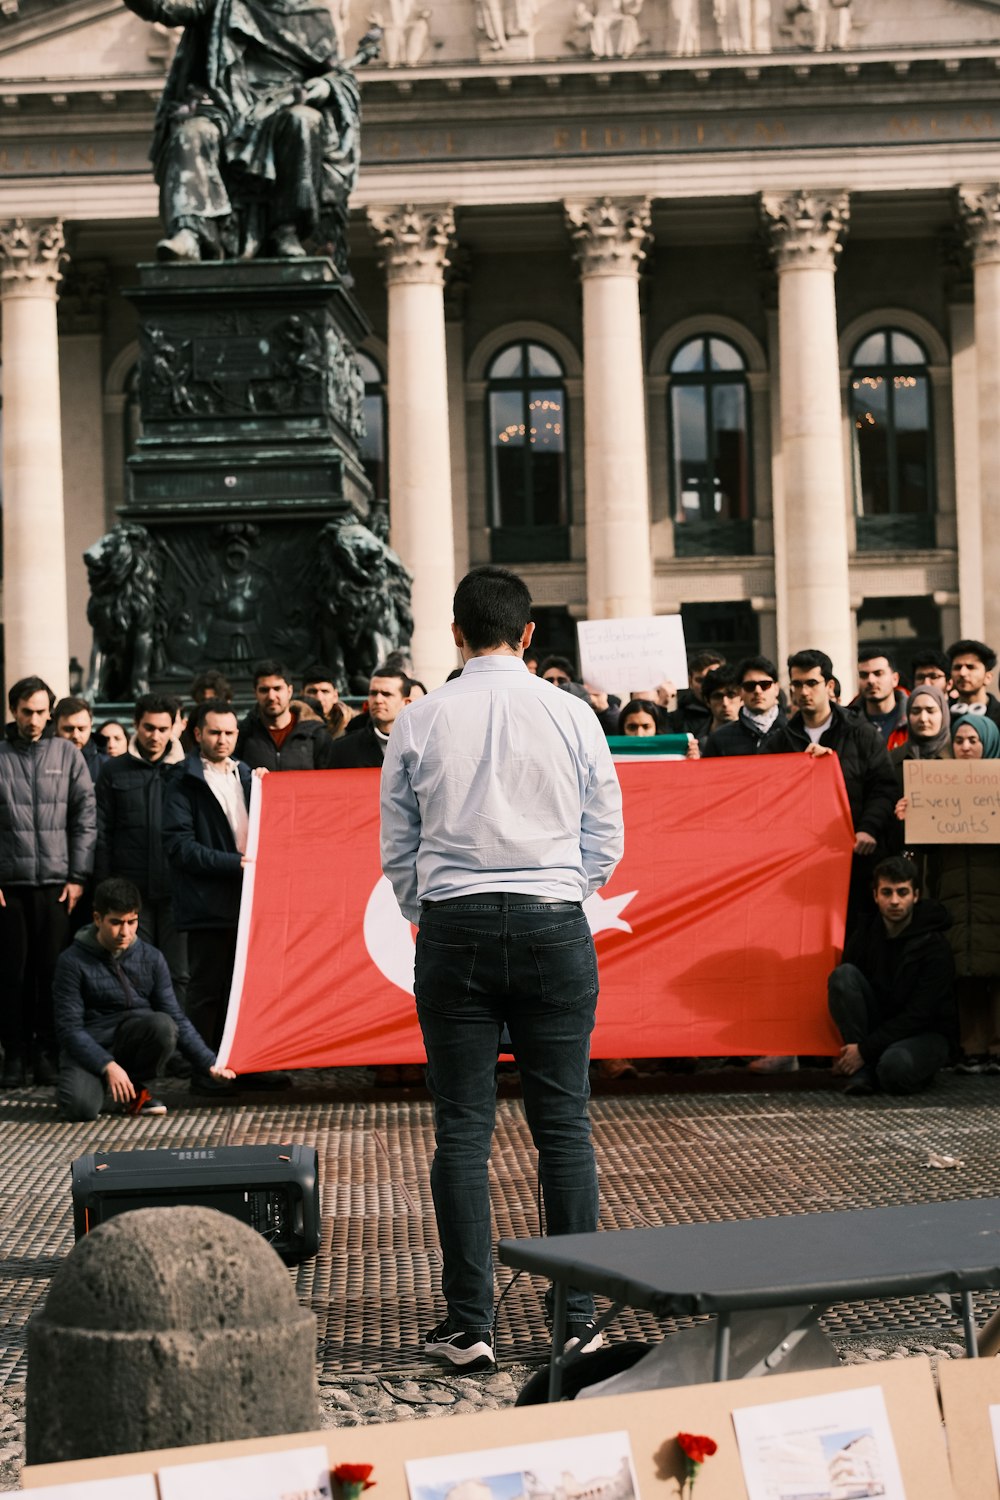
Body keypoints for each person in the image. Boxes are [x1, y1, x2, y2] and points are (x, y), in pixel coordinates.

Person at [381, 566, 624, 1371]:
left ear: (455, 632)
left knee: (462, 1128)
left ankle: (471, 1321)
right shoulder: (572, 714)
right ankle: (578, 1316)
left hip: (455, 925)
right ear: (528, 636)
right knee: (564, 1126)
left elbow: (398, 848)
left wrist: (433, 909)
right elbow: (606, 833)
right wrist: (566, 889)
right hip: (554, 920)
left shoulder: (416, 721)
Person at [120, 0, 363, 265]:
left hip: (281, 109)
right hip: (225, 107)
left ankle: (286, 230)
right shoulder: (223, 3)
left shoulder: (314, 16)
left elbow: (339, 76)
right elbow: (166, 7)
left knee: (304, 121)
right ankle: (191, 231)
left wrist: (325, 88)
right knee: (192, 132)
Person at [52, 876, 234, 1121]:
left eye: (132, 922)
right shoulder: (72, 961)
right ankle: (102, 1085)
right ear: (97, 919)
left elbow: (175, 1017)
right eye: (116, 923)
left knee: (163, 1026)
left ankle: (133, 1087)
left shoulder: (152, 958)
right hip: (90, 1046)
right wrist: (107, 1066)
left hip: (132, 1040)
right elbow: (69, 1030)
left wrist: (210, 1063)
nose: (125, 932)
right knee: (80, 1109)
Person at [0, 676, 97, 1087]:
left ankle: (46, 1054)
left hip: (58, 885)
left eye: (42, 712)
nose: (35, 720)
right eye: (27, 711)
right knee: (10, 975)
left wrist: (77, 877)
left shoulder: (68, 755)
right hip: (9, 889)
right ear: (14, 711)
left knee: (51, 974)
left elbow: (84, 818)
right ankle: (14, 1056)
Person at [163, 699, 260, 1079]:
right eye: (215, 732)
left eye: (229, 732)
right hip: (208, 903)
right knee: (207, 990)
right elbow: (179, 847)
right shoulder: (182, 781)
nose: (223, 740)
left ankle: (248, 1066)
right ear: (198, 733)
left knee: (248, 989)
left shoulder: (250, 775)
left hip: (252, 900)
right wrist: (235, 863)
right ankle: (205, 1070)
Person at [828, 856, 956, 1096]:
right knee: (843, 976)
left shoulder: (935, 945)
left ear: (915, 896)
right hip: (880, 1027)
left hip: (925, 1033)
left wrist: (865, 1050)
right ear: (876, 895)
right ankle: (862, 1070)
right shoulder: (866, 933)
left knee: (894, 1070)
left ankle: (868, 1063)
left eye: (902, 892)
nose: (895, 901)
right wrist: (862, 1048)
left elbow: (920, 1014)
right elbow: (846, 994)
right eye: (887, 893)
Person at [95, 693, 188, 1007]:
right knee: (133, 972)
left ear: (174, 727)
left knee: (180, 974)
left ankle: (179, 1049)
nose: (156, 736)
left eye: (163, 729)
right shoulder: (113, 771)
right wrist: (107, 886)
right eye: (149, 728)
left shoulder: (188, 771)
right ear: (136, 725)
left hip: (178, 890)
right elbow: (102, 832)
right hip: (131, 891)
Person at [924, 715, 1000, 1072]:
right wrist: (911, 816)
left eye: (973, 740)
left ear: (989, 743)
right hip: (956, 894)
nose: (966, 747)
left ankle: (998, 1047)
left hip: (993, 896)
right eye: (959, 741)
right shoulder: (937, 786)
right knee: (965, 972)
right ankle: (972, 1047)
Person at [236, 659, 337, 771]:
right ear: (255, 693)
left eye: (277, 689)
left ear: (289, 691)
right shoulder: (243, 734)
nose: (271, 696)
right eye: (264, 690)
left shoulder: (317, 735)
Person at [702, 655, 786, 756]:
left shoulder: (795, 732)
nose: (757, 691)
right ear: (740, 691)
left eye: (765, 685)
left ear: (776, 688)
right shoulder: (719, 739)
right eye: (750, 686)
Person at [328, 665, 411, 767]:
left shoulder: (425, 747)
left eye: (386, 694)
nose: (378, 700)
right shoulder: (342, 749)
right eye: (373, 693)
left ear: (406, 703)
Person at [851, 645, 908, 749]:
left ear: (895, 679)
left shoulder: (914, 719)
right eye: (864, 675)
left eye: (878, 673)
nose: (871, 680)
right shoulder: (846, 723)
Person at [666, 649, 726, 738]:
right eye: (700, 680)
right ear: (690, 682)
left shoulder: (741, 710)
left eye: (712, 679)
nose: (706, 685)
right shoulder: (677, 718)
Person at [946, 639, 1000, 727]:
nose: (962, 673)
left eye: (970, 667)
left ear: (988, 677)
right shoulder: (942, 714)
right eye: (957, 667)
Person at [53, 696, 106, 784]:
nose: (76, 736)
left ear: (91, 724)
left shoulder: (105, 764)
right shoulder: (41, 760)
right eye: (68, 729)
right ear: (56, 727)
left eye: (81, 729)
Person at [696, 664, 742, 751]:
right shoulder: (695, 741)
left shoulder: (756, 739)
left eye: (731, 695)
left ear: (742, 698)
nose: (725, 703)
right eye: (718, 697)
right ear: (707, 701)